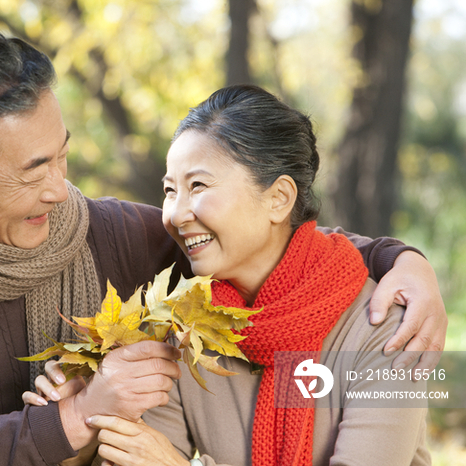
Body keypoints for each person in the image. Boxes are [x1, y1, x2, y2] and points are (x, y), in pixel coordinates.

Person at [0, 28, 442, 466]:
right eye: (33, 170)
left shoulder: (116, 239)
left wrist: (401, 260)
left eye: (63, 156)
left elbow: (277, 245)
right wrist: (78, 417)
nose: (62, 191)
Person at [83, 85, 432, 465]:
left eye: (197, 185)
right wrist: (82, 407)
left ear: (279, 198)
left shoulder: (386, 330)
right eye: (169, 190)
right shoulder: (186, 330)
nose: (175, 214)